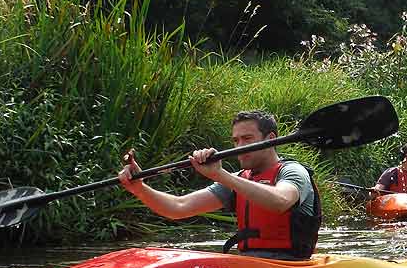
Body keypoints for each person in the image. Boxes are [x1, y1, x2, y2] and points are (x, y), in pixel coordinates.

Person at [117, 110, 322, 260]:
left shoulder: (293, 172)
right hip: (249, 262)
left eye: (247, 139)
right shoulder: (239, 178)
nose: (240, 147)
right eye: (235, 141)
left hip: (290, 264)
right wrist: (139, 188)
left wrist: (221, 175)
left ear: (270, 139)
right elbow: (178, 208)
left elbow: (280, 201)